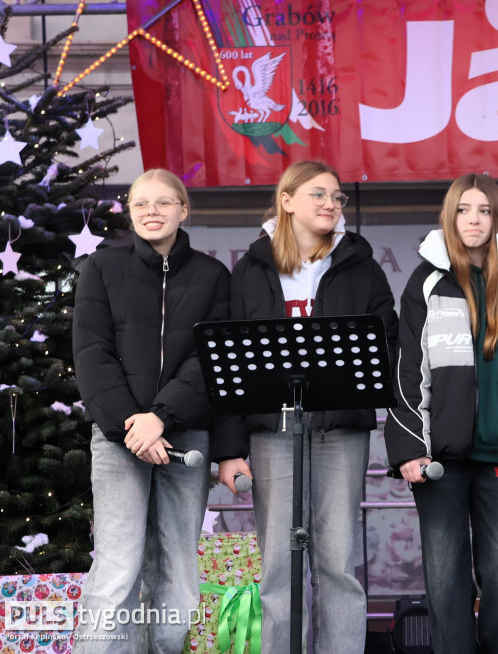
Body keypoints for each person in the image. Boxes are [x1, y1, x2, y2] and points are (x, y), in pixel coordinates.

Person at [214, 160, 398, 652]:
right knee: (278, 564)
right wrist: (230, 450)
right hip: (273, 430)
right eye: (318, 194)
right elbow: (227, 367)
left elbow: (389, 343)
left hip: (341, 429)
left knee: (338, 563)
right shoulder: (251, 268)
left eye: (337, 197)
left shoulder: (362, 265)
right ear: (287, 200)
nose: (331, 205)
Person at [384, 173, 498, 654]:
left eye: (484, 210)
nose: (474, 219)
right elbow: (407, 369)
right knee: (445, 579)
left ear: (497, 219)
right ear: (450, 216)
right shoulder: (425, 282)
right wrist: (409, 448)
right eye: (464, 209)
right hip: (439, 460)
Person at [72, 169, 231, 652]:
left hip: (185, 437)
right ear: (130, 211)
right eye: (141, 203)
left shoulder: (212, 275)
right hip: (119, 438)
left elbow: (210, 360)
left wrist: (160, 417)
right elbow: (92, 354)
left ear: (184, 210)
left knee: (178, 566)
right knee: (119, 563)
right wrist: (133, 427)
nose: (151, 212)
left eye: (164, 203)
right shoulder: (101, 268)